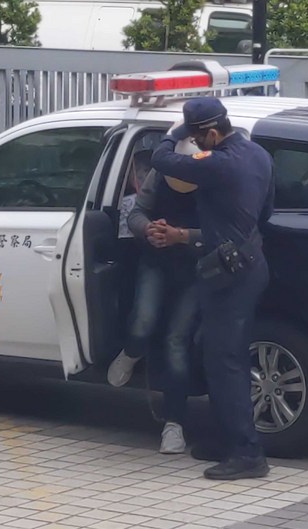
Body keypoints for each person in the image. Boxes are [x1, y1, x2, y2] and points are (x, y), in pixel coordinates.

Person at [151, 97, 275, 481]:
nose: (195, 144)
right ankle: (228, 440)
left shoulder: (218, 163)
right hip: (249, 263)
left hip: (229, 275)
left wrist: (172, 133)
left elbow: (161, 159)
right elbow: (265, 213)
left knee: (226, 361)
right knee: (217, 355)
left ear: (210, 132)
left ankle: (247, 454)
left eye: (196, 137)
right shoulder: (258, 155)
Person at [107, 149, 204, 455]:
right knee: (142, 322)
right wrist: (148, 229)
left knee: (177, 341)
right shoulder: (158, 173)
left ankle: (174, 424)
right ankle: (131, 352)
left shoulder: (217, 180)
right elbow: (136, 213)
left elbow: (223, 232)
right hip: (155, 261)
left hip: (196, 270)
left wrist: (182, 235)